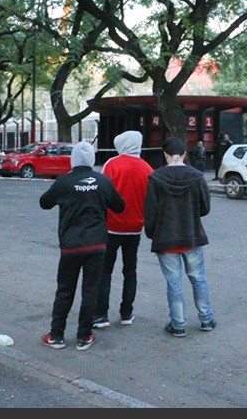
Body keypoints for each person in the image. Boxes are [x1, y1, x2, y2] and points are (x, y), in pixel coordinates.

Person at [39, 141, 125, 351]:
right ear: (92, 160)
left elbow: (44, 202)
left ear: (73, 159)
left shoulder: (64, 182)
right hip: (97, 244)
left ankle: (56, 335)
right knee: (90, 290)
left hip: (71, 244)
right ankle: (84, 336)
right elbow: (120, 206)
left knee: (65, 290)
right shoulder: (103, 181)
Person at [144, 137, 217, 337]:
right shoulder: (196, 176)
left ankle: (178, 324)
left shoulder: (155, 178)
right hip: (191, 235)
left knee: (174, 283)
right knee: (198, 279)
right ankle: (206, 319)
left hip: (165, 238)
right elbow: (205, 208)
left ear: (165, 155)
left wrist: (152, 234)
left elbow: (150, 213)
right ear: (184, 154)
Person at [92, 131, 154, 329]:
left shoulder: (112, 164)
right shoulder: (147, 167)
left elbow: (101, 191)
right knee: (130, 270)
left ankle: (101, 315)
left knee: (105, 271)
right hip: (135, 227)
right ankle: (127, 313)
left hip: (110, 226)